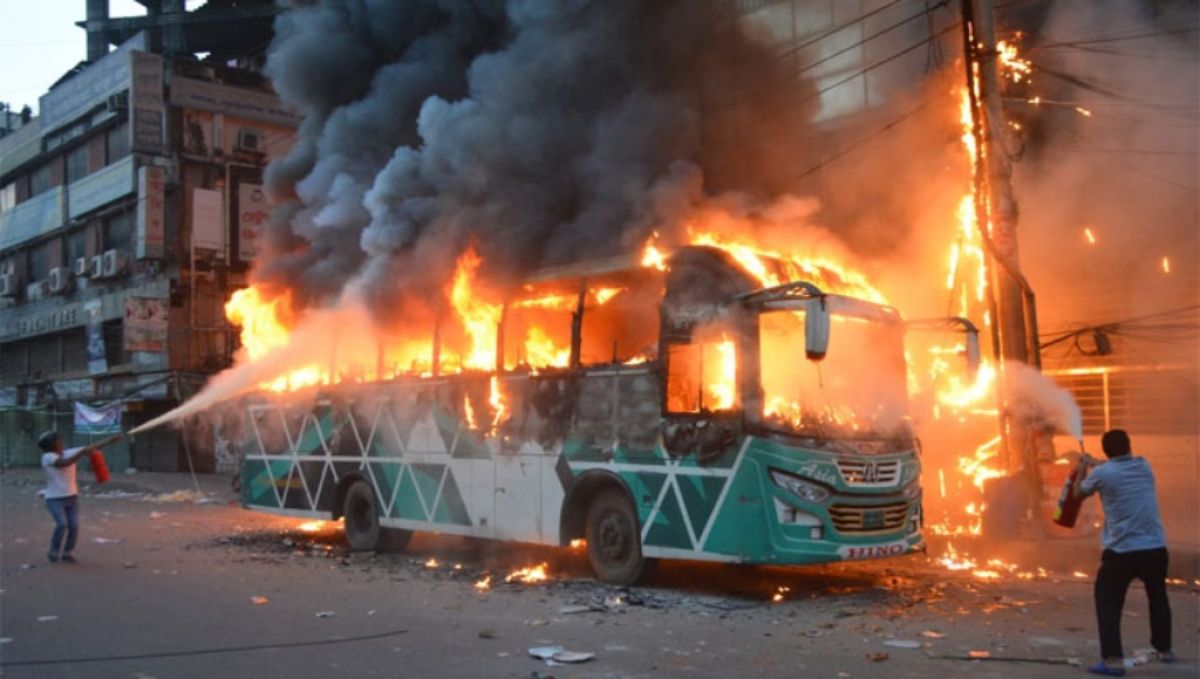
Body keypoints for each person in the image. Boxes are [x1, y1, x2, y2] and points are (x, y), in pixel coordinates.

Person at [1073, 429, 1174, 676]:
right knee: (1158, 597)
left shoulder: (1102, 474)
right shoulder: (1144, 466)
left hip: (1122, 551)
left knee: (1107, 602)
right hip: (1155, 548)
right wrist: (1094, 463)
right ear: (1129, 446)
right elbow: (1113, 466)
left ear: (1106, 451)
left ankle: (1113, 661)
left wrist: (1081, 468)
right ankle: (1164, 650)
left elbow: (1077, 494)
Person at [38, 431, 91, 564]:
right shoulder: (48, 457)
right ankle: (53, 551)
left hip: (71, 496)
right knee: (62, 524)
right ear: (51, 444)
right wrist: (82, 452)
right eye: (58, 440)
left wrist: (110, 440)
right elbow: (65, 463)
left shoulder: (67, 453)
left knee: (73, 526)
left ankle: (68, 552)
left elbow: (90, 448)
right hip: (54, 498)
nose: (61, 442)